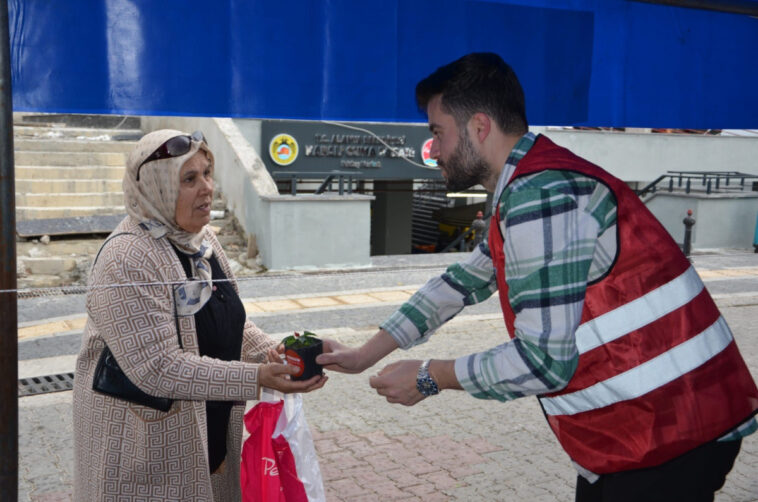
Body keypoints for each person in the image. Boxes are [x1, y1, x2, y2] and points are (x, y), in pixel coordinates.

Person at [317, 53, 758, 501]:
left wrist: (431, 376)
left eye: (438, 133)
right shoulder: (529, 182)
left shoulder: (539, 194)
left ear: (479, 127)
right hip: (652, 427)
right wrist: (365, 354)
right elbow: (461, 282)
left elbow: (542, 363)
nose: (434, 153)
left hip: (668, 432)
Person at [73, 129, 327, 502]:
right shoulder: (127, 258)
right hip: (144, 456)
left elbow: (226, 322)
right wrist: (257, 377)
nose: (207, 187)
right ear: (156, 187)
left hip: (208, 435)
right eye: (189, 179)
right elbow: (158, 368)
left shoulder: (202, 242)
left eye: (207, 173)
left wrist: (275, 354)